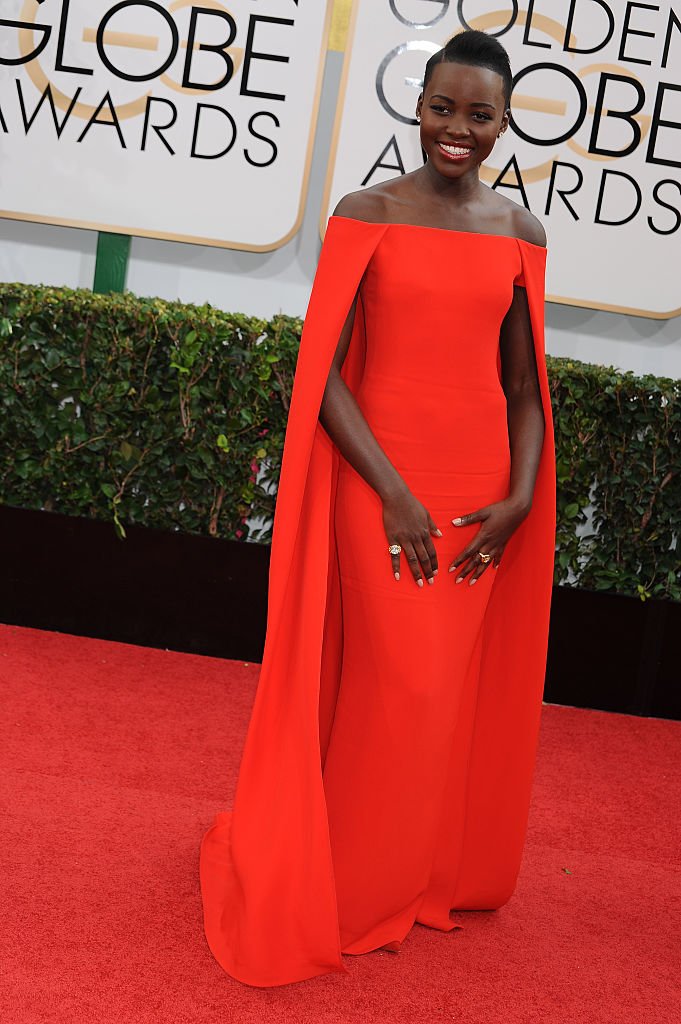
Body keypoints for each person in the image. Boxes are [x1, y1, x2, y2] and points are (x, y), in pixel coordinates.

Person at [199, 30, 556, 988]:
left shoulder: (521, 233)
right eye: (443, 106)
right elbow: (322, 377)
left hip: (479, 491)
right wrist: (393, 491)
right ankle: (352, 884)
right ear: (418, 104)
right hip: (380, 485)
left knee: (440, 694)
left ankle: (420, 875)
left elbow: (523, 386)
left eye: (479, 114)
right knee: (392, 684)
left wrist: (520, 495)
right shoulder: (368, 213)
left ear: (502, 121)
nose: (457, 129)